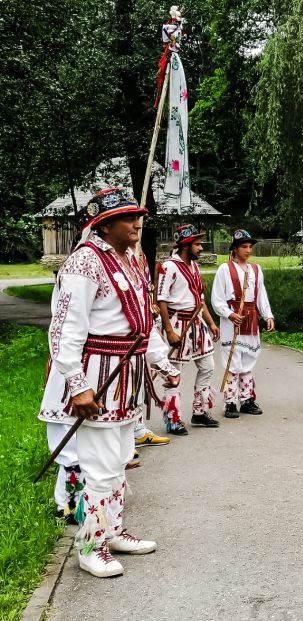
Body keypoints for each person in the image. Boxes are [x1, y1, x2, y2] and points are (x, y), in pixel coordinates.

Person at [38, 188, 180, 577]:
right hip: (98, 374)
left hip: (127, 373)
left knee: (119, 460)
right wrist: (77, 385)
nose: (138, 223)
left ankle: (111, 531)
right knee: (99, 465)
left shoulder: (132, 259)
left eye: (139, 216)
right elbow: (65, 331)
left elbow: (143, 322)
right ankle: (89, 545)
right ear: (104, 223)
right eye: (129, 217)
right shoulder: (83, 263)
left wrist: (161, 362)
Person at [157, 224, 220, 433]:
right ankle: (173, 419)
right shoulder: (170, 267)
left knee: (208, 366)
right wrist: (168, 331)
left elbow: (199, 300)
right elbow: (162, 300)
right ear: (186, 245)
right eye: (198, 244)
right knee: (174, 373)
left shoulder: (194, 266)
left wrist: (211, 322)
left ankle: (200, 412)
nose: (201, 248)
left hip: (197, 325)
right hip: (177, 324)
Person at [211, 229, 275, 418]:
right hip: (232, 320)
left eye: (250, 246)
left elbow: (261, 295)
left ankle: (247, 399)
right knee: (233, 359)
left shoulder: (256, 269)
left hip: (251, 317)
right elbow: (217, 299)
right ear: (235, 249)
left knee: (249, 358)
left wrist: (268, 315)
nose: (248, 250)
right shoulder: (225, 269)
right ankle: (230, 402)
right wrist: (229, 314)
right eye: (244, 247)